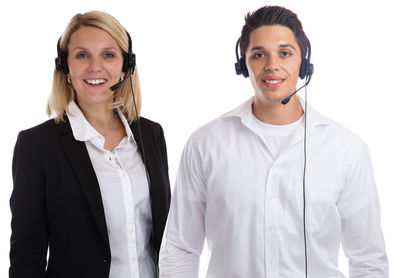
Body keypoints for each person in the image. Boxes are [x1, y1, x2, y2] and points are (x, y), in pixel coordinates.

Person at [159, 5, 388, 277]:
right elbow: (181, 250)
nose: (272, 65)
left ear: (304, 62)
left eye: (285, 53)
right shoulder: (205, 144)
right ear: (243, 64)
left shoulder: (347, 149)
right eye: (259, 54)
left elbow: (367, 258)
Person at [10, 11, 170, 278]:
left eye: (108, 55)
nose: (95, 67)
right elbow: (27, 253)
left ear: (125, 66)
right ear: (65, 67)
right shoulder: (36, 146)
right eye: (82, 55)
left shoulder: (151, 134)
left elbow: (166, 236)